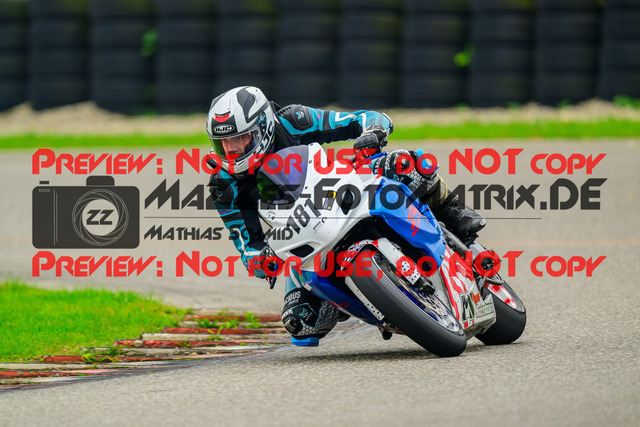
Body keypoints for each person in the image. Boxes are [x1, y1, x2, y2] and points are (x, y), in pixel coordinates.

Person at [206, 86, 485, 345]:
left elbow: (363, 119)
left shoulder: (291, 120)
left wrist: (372, 132)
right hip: (301, 232)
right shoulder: (223, 185)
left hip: (337, 187)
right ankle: (377, 301)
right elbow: (247, 244)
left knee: (407, 164)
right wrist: (261, 260)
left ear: (264, 127)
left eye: (240, 139)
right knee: (302, 323)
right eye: (223, 143)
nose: (231, 151)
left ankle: (454, 213)